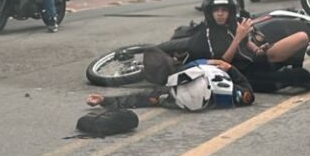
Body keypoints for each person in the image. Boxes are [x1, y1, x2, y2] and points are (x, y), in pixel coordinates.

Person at [158, 0, 310, 92]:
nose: (220, 14)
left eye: (224, 10)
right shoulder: (208, 34)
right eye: (216, 10)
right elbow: (222, 63)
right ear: (210, 12)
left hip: (257, 61)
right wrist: (238, 38)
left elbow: (248, 46)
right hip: (244, 74)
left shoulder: (233, 25)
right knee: (298, 75)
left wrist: (257, 47)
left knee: (302, 37)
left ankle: (297, 72)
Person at [86, 46, 255, 115]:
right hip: (198, 67)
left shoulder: (171, 96)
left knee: (155, 63)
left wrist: (104, 100)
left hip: (183, 74)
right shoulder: (230, 91)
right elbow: (248, 90)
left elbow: (139, 98)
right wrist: (229, 68)